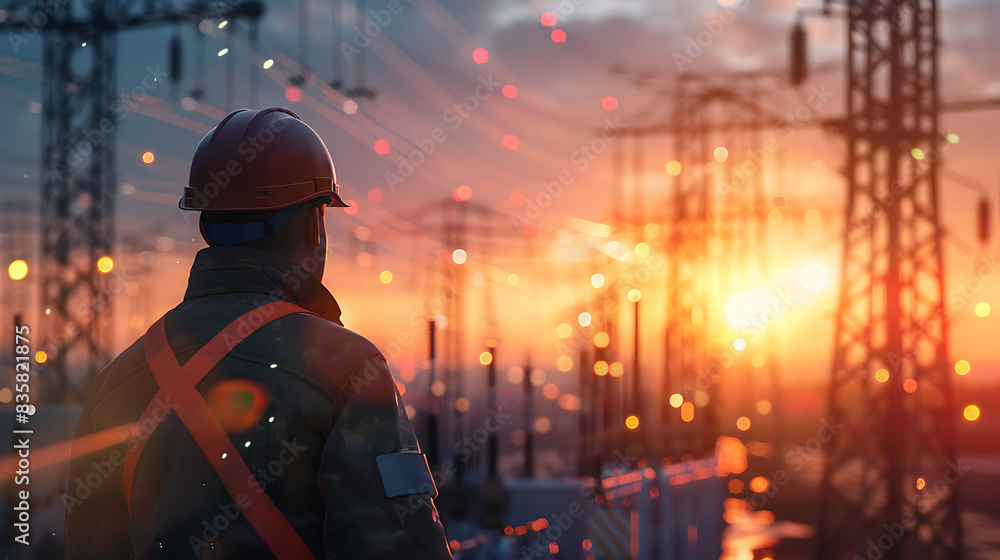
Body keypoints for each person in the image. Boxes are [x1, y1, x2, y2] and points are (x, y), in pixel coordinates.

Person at [64, 107, 453, 559]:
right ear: (314, 224)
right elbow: (398, 547)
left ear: (206, 225)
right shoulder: (346, 367)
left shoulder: (118, 380)